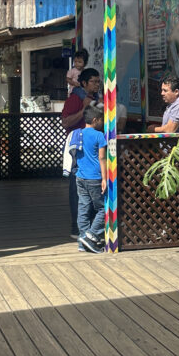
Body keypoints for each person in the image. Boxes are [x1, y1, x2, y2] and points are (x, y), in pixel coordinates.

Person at [61, 68, 101, 236]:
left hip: (93, 146)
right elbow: (65, 122)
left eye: (98, 81)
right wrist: (83, 110)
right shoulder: (74, 99)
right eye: (93, 81)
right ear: (84, 83)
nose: (97, 85)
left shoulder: (97, 99)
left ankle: (90, 226)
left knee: (93, 186)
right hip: (78, 148)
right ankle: (76, 227)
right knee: (76, 188)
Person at [76, 106, 108, 254]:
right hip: (94, 177)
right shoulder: (99, 135)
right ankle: (92, 236)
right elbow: (102, 157)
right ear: (95, 120)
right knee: (103, 208)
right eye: (101, 120)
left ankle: (82, 241)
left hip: (80, 176)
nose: (102, 122)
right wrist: (104, 178)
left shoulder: (78, 134)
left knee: (83, 209)